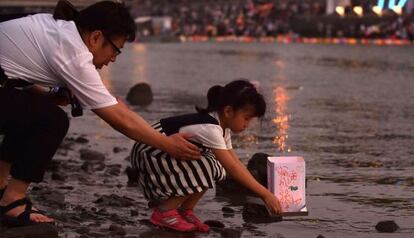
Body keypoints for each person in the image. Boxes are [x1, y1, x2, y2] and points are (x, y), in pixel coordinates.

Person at [0, 1, 200, 227]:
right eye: (116, 49)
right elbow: (118, 117)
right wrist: (166, 144)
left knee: (35, 110)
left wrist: (44, 95)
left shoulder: (57, 27)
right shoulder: (73, 53)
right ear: (95, 37)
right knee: (52, 120)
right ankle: (12, 200)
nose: (113, 59)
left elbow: (10, 69)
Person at [130, 79, 282, 232]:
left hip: (160, 152)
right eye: (246, 118)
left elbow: (233, 162)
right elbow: (233, 168)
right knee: (209, 166)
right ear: (228, 111)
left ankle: (185, 210)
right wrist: (265, 194)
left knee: (215, 166)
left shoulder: (222, 128)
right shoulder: (210, 128)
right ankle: (165, 212)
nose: (247, 125)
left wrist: (263, 192)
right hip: (149, 151)